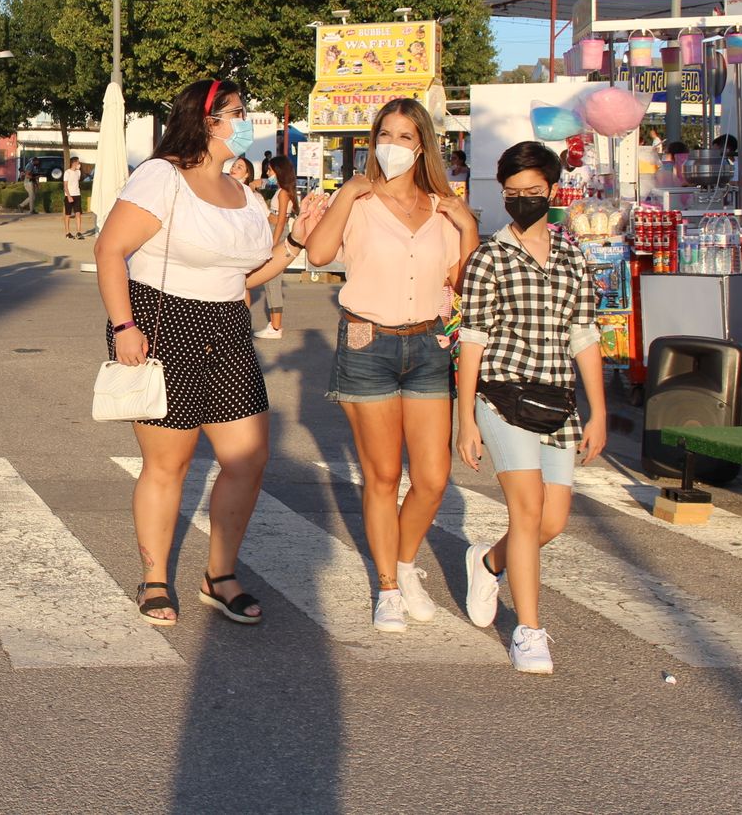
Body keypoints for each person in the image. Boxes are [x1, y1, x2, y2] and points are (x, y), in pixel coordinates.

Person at [95, 78, 327, 626]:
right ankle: (154, 578)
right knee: (168, 463)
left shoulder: (244, 194)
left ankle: (218, 575)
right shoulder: (162, 176)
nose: (246, 122)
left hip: (226, 324)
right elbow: (110, 248)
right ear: (206, 119)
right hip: (160, 320)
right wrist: (124, 325)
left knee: (248, 458)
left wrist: (294, 241)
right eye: (237, 112)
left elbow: (248, 277)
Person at [303, 97, 479, 633]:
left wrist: (468, 225)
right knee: (381, 476)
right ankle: (387, 589)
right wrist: (345, 196)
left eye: (405, 137)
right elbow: (316, 255)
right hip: (367, 345)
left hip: (429, 346)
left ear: (422, 144)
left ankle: (404, 566)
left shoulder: (442, 207)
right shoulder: (357, 201)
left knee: (432, 478)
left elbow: (463, 281)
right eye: (386, 134)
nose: (394, 146)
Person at [456, 141, 605, 675]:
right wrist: (466, 417)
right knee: (526, 509)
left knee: (552, 520)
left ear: (551, 191)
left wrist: (599, 411)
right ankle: (529, 631)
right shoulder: (490, 257)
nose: (522, 200)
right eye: (513, 192)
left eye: (533, 192)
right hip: (501, 393)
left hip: (557, 399)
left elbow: (584, 333)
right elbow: (471, 337)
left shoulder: (572, 254)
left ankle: (488, 560)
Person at [255, 155, 299, 341]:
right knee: (271, 282)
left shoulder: (283, 193)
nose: (268, 173)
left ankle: (276, 326)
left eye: (270, 170)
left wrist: (273, 244)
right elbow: (260, 184)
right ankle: (274, 325)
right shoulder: (283, 190)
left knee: (272, 282)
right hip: (274, 231)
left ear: (279, 171)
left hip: (276, 233)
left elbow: (281, 221)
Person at [63, 157, 85, 239]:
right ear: (74, 163)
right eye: (78, 162)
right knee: (67, 214)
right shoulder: (67, 172)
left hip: (77, 194)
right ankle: (67, 232)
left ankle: (78, 232)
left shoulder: (78, 172)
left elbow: (77, 181)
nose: (79, 164)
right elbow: (65, 186)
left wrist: (80, 169)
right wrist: (68, 196)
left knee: (78, 213)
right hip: (69, 195)